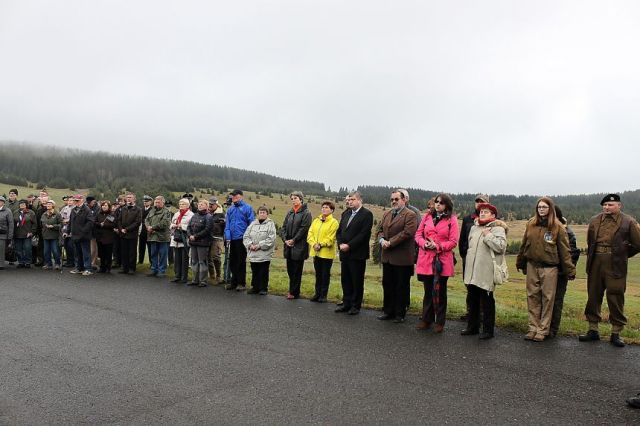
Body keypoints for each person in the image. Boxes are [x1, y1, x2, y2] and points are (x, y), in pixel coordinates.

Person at [579, 194, 640, 347]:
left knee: (615, 295)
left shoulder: (629, 221)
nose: (607, 207)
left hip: (616, 263)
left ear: (619, 206)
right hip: (596, 262)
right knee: (593, 295)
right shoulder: (594, 220)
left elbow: (638, 244)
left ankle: (616, 333)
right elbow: (590, 241)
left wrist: (622, 255)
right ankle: (593, 330)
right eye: (605, 205)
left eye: (610, 205)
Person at [516, 197, 575, 342]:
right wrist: (520, 261)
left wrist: (570, 270)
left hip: (549, 268)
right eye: (539, 207)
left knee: (548, 299)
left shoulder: (557, 227)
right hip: (532, 265)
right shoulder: (531, 223)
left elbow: (565, 251)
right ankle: (533, 328)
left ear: (551, 209)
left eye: (544, 207)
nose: (541, 209)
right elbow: (524, 244)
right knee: (532, 297)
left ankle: (543, 330)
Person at [460, 203, 507, 339]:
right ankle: (472, 327)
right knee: (473, 299)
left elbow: (501, 247)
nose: (482, 213)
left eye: (486, 212)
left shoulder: (498, 229)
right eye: (481, 211)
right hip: (472, 270)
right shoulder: (474, 228)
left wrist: (488, 235)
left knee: (487, 301)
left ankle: (488, 330)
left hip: (486, 271)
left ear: (493, 215)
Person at [415, 193, 459, 332]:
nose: (438, 204)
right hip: (426, 258)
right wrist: (424, 244)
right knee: (428, 290)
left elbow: (453, 242)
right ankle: (426, 319)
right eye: (436, 202)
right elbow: (418, 235)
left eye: (441, 202)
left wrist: (438, 246)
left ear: (447, 205)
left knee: (440, 291)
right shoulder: (427, 217)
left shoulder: (452, 220)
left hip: (442, 260)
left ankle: (440, 321)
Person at [376, 190, 418, 323]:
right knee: (387, 284)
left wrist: (391, 242)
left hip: (402, 258)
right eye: (392, 199)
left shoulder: (410, 215)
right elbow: (380, 230)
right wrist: (382, 240)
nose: (393, 201)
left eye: (396, 199)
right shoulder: (387, 213)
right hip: (387, 256)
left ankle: (400, 314)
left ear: (404, 200)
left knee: (401, 286)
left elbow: (408, 232)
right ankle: (388, 311)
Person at [335, 191, 373, 315]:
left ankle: (355, 305)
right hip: (344, 253)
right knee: (345, 280)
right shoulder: (346, 213)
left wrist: (349, 245)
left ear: (359, 200)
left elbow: (364, 234)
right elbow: (339, 231)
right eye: (348, 199)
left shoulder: (367, 214)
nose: (349, 201)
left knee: (356, 280)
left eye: (352, 199)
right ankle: (346, 303)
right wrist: (340, 244)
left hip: (357, 254)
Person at [549, 205, 580, 338]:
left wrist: (566, 270)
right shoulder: (542, 228)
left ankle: (552, 329)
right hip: (544, 270)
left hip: (559, 272)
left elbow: (572, 253)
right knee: (541, 299)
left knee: (556, 300)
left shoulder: (567, 231)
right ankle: (541, 326)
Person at [458, 194, 490, 321]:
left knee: (482, 285)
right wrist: (464, 253)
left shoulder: (492, 219)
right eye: (477, 201)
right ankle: (470, 312)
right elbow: (462, 239)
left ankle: (482, 314)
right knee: (469, 285)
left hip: (483, 258)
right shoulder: (467, 219)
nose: (479, 203)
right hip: (469, 257)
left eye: (482, 201)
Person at [280, 191, 312, 300]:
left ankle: (294, 292)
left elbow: (304, 229)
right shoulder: (290, 213)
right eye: (292, 198)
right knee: (290, 270)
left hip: (299, 246)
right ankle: (292, 290)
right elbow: (283, 227)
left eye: (295, 198)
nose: (293, 200)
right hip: (288, 246)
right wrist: (285, 240)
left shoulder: (306, 213)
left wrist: (294, 240)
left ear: (301, 199)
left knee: (296, 271)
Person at [307, 201, 339, 302]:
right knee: (318, 274)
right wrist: (313, 244)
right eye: (323, 207)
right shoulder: (316, 220)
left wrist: (320, 244)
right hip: (316, 252)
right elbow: (310, 234)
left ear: (332, 210)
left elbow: (331, 238)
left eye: (327, 207)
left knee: (325, 274)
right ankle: (317, 293)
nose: (324, 209)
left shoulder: (334, 222)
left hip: (326, 254)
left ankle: (323, 295)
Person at [223, 189, 254, 291]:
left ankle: (241, 283)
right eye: (233, 197)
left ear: (241, 196)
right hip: (232, 239)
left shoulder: (247, 208)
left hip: (242, 239)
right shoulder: (230, 210)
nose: (234, 199)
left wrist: (248, 237)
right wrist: (228, 237)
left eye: (236, 197)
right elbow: (227, 224)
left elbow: (251, 224)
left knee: (241, 261)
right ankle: (233, 282)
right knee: (232, 261)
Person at [243, 205, 277, 295]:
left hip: (264, 253)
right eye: (260, 212)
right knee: (255, 271)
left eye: (264, 212)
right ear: (257, 214)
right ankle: (255, 287)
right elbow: (246, 236)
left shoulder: (270, 224)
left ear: (267, 214)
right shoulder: (253, 224)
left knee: (263, 271)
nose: (262, 214)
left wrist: (259, 246)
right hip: (253, 252)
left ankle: (263, 288)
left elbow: (271, 239)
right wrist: (250, 245)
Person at [187, 199, 213, 287]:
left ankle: (203, 281)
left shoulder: (208, 217)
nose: (200, 205)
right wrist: (190, 235)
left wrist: (196, 236)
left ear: (206, 206)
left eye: (202, 204)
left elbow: (207, 229)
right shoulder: (194, 215)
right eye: (199, 204)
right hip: (193, 242)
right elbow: (189, 226)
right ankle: (195, 280)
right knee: (194, 261)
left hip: (203, 242)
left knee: (202, 262)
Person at [68, 194, 96, 276]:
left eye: (77, 200)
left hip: (84, 236)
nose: (76, 202)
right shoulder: (73, 210)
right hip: (75, 235)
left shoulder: (87, 210)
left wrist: (83, 231)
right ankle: (79, 268)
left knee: (85, 253)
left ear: (82, 200)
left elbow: (90, 222)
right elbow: (70, 222)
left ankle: (88, 268)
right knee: (77, 253)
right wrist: (67, 231)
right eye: (75, 201)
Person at [144, 196, 172, 278]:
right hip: (152, 236)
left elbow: (164, 223)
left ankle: (162, 271)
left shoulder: (166, 212)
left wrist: (152, 227)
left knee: (163, 254)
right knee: (153, 254)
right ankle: (154, 269)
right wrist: (148, 227)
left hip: (163, 237)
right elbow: (146, 220)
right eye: (155, 202)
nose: (156, 204)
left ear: (163, 203)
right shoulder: (152, 211)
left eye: (158, 202)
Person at [116, 192, 142, 275]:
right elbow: (119, 220)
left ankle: (131, 268)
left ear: (134, 199)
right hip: (123, 234)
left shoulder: (138, 209)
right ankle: (125, 268)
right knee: (124, 252)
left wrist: (126, 229)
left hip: (132, 234)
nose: (128, 198)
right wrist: (121, 229)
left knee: (132, 252)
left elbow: (137, 222)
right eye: (127, 197)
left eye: (130, 197)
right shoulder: (123, 208)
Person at [169, 198, 194, 284]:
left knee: (184, 259)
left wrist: (182, 226)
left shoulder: (191, 215)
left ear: (188, 205)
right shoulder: (176, 214)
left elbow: (192, 227)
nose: (181, 206)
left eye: (183, 204)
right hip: (176, 239)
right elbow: (171, 223)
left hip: (184, 240)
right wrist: (174, 226)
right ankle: (177, 276)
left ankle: (184, 277)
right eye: (180, 204)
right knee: (177, 259)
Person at [207, 196, 226, 284]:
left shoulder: (222, 214)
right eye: (210, 204)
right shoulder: (207, 213)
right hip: (208, 237)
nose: (210, 205)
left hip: (217, 238)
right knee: (208, 257)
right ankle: (212, 276)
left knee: (215, 256)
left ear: (217, 205)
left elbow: (225, 227)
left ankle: (218, 275)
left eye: (212, 204)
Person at [13, 199, 37, 268]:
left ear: (26, 205)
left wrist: (32, 232)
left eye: (23, 204)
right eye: (20, 204)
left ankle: (27, 262)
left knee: (27, 249)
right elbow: (13, 223)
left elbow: (35, 224)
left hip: (27, 234)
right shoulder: (15, 212)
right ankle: (21, 262)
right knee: (18, 249)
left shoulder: (31, 212)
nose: (22, 205)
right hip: (17, 234)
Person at [94, 200, 116, 273]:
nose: (104, 207)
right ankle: (102, 267)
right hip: (100, 237)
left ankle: (108, 268)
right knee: (101, 254)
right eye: (103, 205)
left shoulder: (111, 215)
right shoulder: (98, 214)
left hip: (108, 237)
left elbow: (113, 225)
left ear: (108, 207)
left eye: (105, 205)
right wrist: (100, 224)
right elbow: (95, 223)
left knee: (108, 254)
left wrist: (105, 225)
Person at [40, 200, 62, 270]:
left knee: (55, 251)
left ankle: (57, 264)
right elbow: (42, 223)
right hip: (46, 235)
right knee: (46, 251)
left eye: (50, 204)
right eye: (47, 204)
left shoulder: (57, 214)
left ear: (53, 205)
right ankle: (48, 264)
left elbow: (61, 224)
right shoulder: (43, 214)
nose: (48, 205)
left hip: (54, 236)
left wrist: (53, 226)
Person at [59, 196, 76, 267]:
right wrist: (63, 220)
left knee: (71, 247)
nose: (70, 202)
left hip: (72, 231)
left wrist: (68, 220)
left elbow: (75, 219)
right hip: (65, 230)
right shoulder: (64, 208)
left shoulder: (75, 209)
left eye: (71, 201)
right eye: (69, 201)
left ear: (74, 201)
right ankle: (68, 261)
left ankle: (73, 262)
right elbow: (60, 217)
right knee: (66, 246)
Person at [0, 196, 14, 270]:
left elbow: (11, 224)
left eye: (0, 201)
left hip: (3, 234)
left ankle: (1, 265)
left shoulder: (7, 211)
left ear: (3, 202)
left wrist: (10, 236)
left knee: (1, 250)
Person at [138, 195, 153, 264]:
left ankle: (151, 262)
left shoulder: (152, 210)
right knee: (141, 247)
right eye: (144, 201)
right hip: (142, 231)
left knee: (150, 248)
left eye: (147, 201)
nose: (145, 203)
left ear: (150, 202)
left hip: (149, 231)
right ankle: (140, 261)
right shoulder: (141, 209)